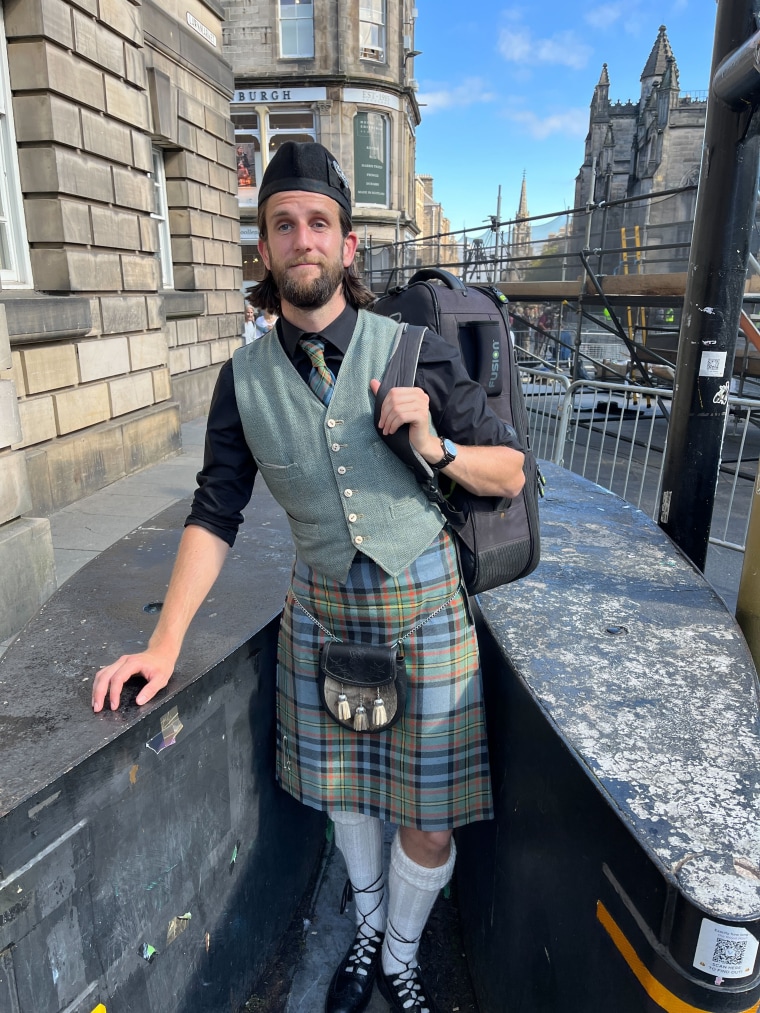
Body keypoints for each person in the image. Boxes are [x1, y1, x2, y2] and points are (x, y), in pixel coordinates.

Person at [92, 142, 525, 1013]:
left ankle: (399, 953)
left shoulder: (417, 351)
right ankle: (367, 928)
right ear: (264, 249)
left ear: (349, 245)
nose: (303, 239)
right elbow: (215, 514)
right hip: (323, 615)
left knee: (427, 817)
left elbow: (511, 472)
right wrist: (163, 644)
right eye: (283, 225)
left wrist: (437, 447)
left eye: (319, 223)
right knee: (349, 798)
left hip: (426, 607)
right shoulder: (240, 381)